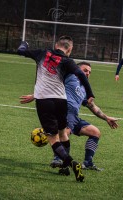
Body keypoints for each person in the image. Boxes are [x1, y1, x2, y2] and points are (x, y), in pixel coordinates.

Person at [17, 36, 95, 182]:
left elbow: (20, 51)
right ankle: (64, 167)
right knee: (63, 134)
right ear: (69, 49)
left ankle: (71, 163)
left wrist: (24, 43)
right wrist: (90, 93)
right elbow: (81, 75)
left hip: (45, 102)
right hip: (61, 101)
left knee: (53, 138)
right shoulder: (68, 61)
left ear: (55, 45)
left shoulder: (42, 53)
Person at [20, 62, 119, 173]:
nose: (87, 73)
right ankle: (58, 159)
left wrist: (106, 118)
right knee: (64, 133)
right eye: (85, 70)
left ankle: (87, 163)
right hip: (64, 111)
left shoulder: (85, 88)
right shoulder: (70, 76)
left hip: (74, 117)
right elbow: (52, 85)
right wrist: (35, 95)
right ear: (77, 69)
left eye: (90, 72)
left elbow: (92, 106)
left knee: (95, 132)